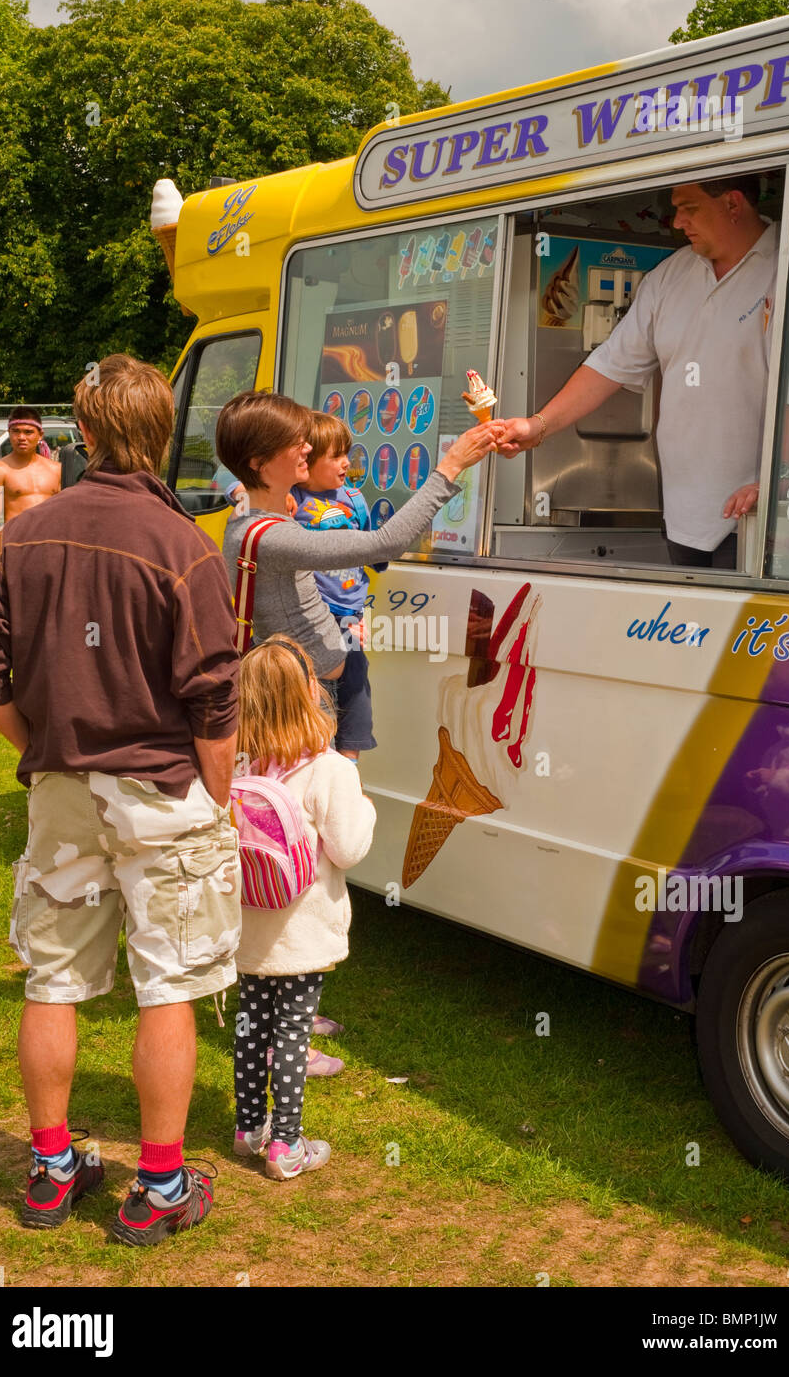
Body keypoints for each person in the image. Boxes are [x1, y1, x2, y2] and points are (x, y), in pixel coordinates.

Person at [0, 355, 241, 1246]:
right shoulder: (182, 545)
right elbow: (213, 693)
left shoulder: (27, 534)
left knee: (54, 979)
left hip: (63, 789)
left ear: (81, 434)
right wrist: (220, 794)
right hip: (161, 787)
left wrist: (45, 752)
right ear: (162, 435)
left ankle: (50, 1168)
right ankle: (159, 1185)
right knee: (168, 985)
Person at [498, 176, 779, 568]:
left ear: (733, 204)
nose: (677, 222)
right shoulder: (671, 275)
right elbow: (610, 364)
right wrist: (537, 426)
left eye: (689, 208)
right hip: (684, 517)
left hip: (767, 518)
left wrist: (783, 480)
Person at [218, 391, 501, 684]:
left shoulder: (245, 515)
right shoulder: (276, 538)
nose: (307, 448)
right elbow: (386, 543)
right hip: (308, 693)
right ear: (259, 461)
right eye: (294, 442)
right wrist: (450, 466)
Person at [231, 635, 376, 1179]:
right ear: (309, 695)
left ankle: (248, 1130)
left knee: (251, 1024)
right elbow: (349, 849)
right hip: (303, 929)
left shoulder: (239, 764)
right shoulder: (330, 769)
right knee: (291, 1033)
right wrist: (364, 807)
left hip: (248, 926)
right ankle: (286, 1145)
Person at [291, 411, 386, 763]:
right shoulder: (293, 498)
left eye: (347, 453)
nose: (347, 463)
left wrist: (382, 556)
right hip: (314, 614)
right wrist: (238, 490)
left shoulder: (354, 499)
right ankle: (315, 758)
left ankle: (348, 759)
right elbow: (238, 488)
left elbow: (369, 543)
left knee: (356, 681)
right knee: (314, 688)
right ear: (306, 460)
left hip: (350, 613)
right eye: (336, 456)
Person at [0, 407, 61, 554]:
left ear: (40, 435)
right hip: (15, 548)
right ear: (9, 433)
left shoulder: (57, 470)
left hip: (51, 548)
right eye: (16, 431)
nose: (21, 437)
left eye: (28, 432)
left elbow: (66, 515)